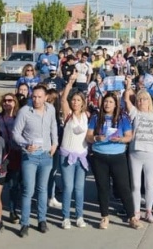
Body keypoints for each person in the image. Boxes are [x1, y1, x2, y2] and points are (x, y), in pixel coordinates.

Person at [86, 92, 143, 230]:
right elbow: (88, 136)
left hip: (118, 156)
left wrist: (121, 139)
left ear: (116, 104)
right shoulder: (96, 117)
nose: (107, 104)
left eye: (111, 102)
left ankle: (132, 217)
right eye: (106, 102)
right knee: (103, 187)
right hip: (99, 156)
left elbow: (129, 136)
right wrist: (95, 138)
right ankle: (104, 217)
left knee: (124, 187)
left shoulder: (123, 118)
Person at [12, 84, 59, 237]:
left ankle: (41, 220)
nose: (36, 100)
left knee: (42, 189)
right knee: (28, 190)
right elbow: (16, 133)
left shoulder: (50, 109)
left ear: (46, 97)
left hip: (46, 155)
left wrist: (55, 144)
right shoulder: (25, 111)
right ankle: (24, 223)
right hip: (30, 156)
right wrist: (25, 144)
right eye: (34, 97)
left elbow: (53, 126)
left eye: (40, 97)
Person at [123, 81, 153, 223]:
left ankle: (148, 211)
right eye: (139, 99)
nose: (141, 101)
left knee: (149, 184)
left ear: (149, 101)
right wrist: (128, 85)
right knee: (135, 184)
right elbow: (126, 99)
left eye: (144, 99)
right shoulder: (135, 113)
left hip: (151, 153)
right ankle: (136, 211)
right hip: (135, 153)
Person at [59, 73, 89, 229]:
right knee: (68, 187)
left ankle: (79, 216)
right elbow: (63, 100)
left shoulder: (86, 116)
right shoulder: (68, 115)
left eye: (78, 100)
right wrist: (69, 83)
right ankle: (65, 217)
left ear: (83, 102)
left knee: (79, 188)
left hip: (81, 157)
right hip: (67, 156)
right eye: (74, 100)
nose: (75, 102)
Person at [0, 93, 21, 224]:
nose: (7, 103)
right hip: (1, 155)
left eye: (10, 100)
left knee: (13, 185)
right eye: (4, 100)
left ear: (15, 102)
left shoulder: (19, 118)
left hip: (15, 154)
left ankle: (12, 210)